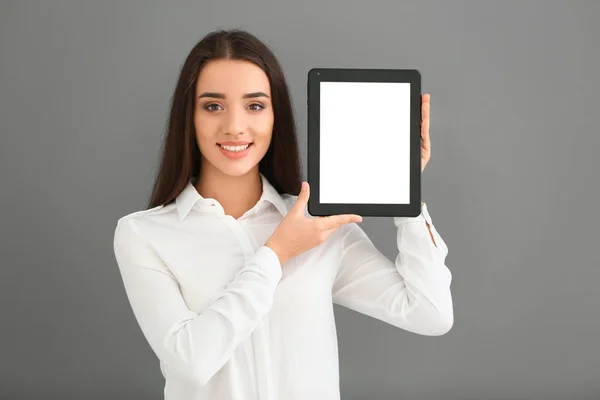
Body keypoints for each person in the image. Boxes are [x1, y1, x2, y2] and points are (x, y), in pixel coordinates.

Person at [113, 29, 453, 400]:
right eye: (213, 106)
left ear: (276, 117)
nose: (235, 126)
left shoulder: (319, 226)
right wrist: (276, 253)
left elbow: (430, 313)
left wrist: (403, 190)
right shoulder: (143, 235)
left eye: (255, 105)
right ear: (189, 117)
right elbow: (192, 362)